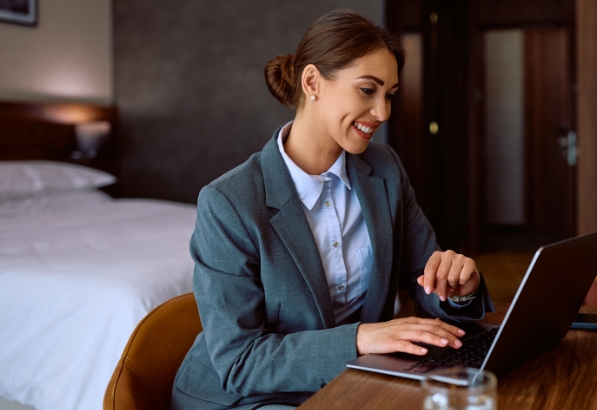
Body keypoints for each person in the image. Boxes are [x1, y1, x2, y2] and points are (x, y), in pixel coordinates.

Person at [171, 9, 494, 410]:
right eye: (367, 90)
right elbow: (240, 363)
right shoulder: (229, 203)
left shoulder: (385, 169)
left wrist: (457, 291)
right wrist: (361, 338)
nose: (383, 112)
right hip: (249, 397)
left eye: (389, 94)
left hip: (355, 381)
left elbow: (422, 274)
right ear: (312, 82)